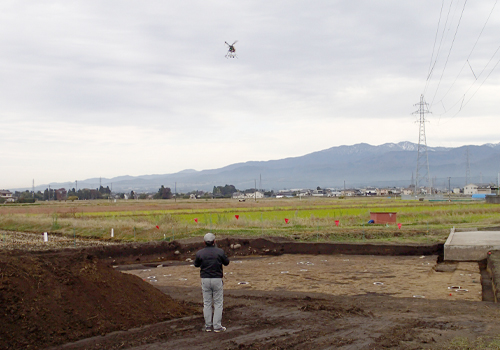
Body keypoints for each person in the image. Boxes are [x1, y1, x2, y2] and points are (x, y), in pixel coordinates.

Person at [194, 232, 230, 332]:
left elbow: (196, 264)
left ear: (204, 242)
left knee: (207, 303)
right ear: (214, 241)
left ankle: (208, 326)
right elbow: (226, 262)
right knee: (218, 303)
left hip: (205, 279)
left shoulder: (200, 253)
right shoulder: (220, 251)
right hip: (217, 279)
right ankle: (217, 326)